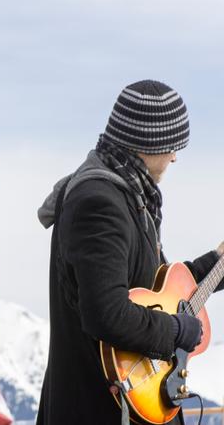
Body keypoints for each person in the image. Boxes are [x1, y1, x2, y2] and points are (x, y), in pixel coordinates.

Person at [36, 80, 224, 425]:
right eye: (171, 146)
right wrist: (175, 331)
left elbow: (154, 290)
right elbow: (106, 313)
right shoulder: (99, 203)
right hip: (100, 409)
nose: (174, 157)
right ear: (148, 142)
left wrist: (216, 265)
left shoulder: (128, 196)